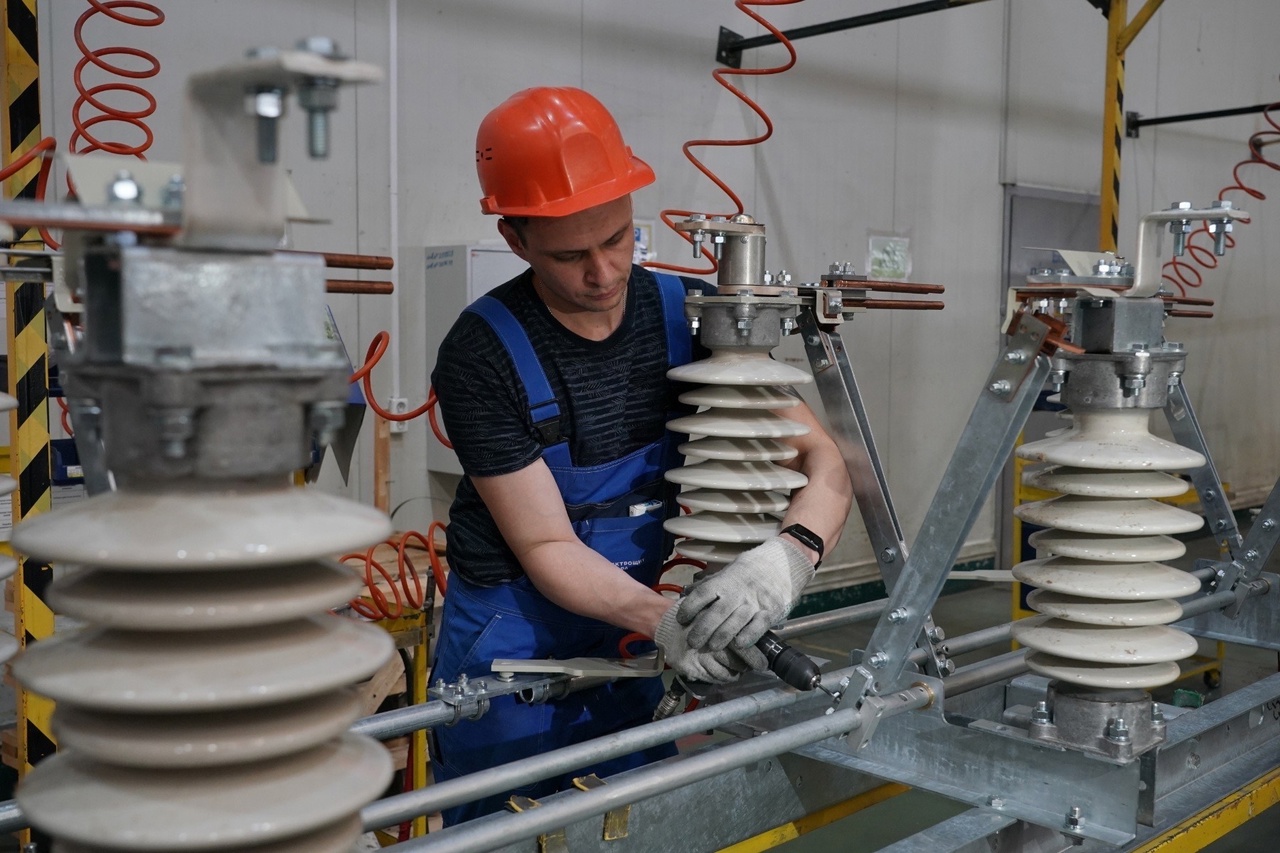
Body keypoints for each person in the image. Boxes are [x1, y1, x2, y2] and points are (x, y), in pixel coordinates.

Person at [429, 86, 852, 825]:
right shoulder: (482, 352)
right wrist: (667, 620)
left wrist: (788, 559)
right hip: (513, 638)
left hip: (633, 628)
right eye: (570, 255)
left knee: (634, 825)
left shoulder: (691, 318)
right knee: (503, 830)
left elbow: (827, 464)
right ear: (515, 240)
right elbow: (546, 544)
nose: (604, 273)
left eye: (619, 238)